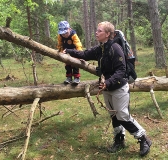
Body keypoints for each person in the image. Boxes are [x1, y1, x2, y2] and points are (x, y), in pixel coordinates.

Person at [63, 21, 152, 157]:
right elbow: (86, 54)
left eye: (99, 31)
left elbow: (121, 70)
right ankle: (119, 140)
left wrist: (108, 82)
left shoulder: (115, 48)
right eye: (97, 30)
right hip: (107, 87)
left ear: (107, 34)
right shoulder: (102, 48)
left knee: (122, 115)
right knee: (113, 114)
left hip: (119, 87)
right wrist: (68, 51)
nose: (96, 33)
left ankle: (143, 138)